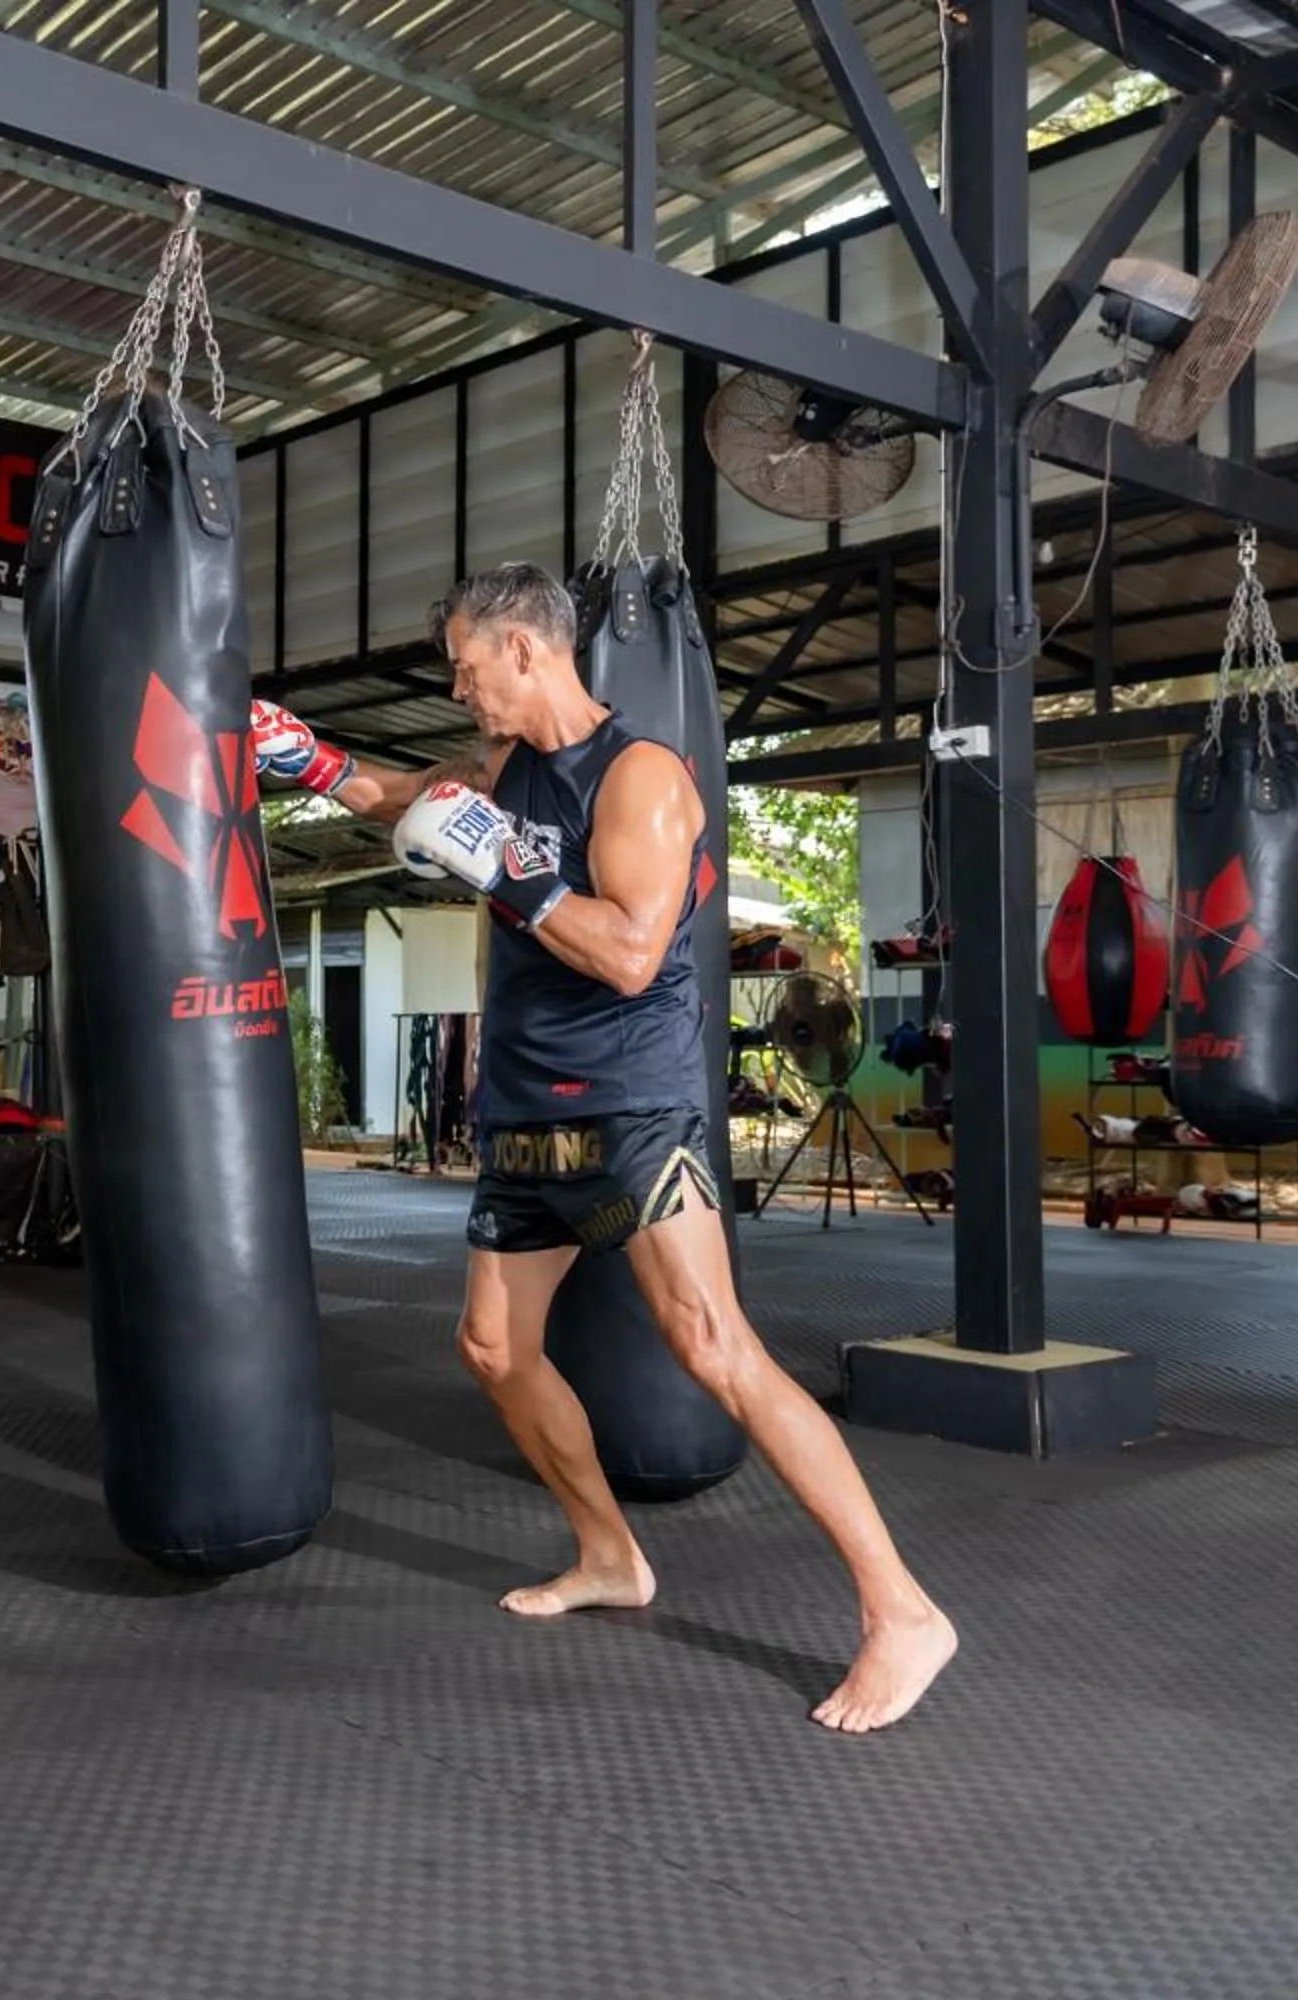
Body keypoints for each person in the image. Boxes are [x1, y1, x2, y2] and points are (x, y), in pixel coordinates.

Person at [249, 562, 957, 1735]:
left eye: (467, 666)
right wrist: (309, 761)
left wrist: (509, 870)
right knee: (493, 1345)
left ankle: (903, 1608)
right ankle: (609, 1553)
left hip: (632, 1103)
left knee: (714, 1345)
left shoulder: (644, 780)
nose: (460, 687)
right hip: (525, 1106)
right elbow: (408, 799)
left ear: (524, 649)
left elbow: (631, 952)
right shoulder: (502, 767)